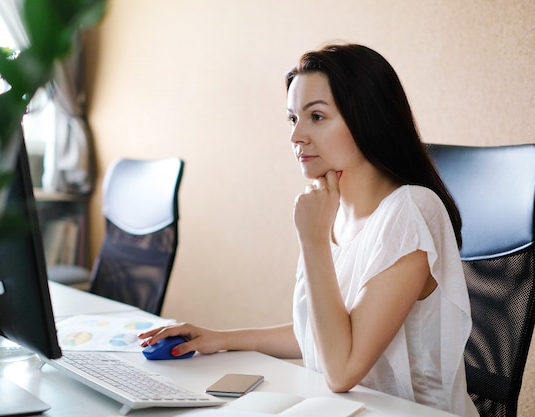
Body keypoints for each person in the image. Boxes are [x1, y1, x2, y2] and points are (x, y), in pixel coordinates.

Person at [139, 43, 478, 417]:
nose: (296, 136)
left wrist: (313, 240)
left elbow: (342, 369)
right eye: (292, 119)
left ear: (368, 119)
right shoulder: (331, 209)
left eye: (316, 116)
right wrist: (220, 339)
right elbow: (324, 332)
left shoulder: (410, 211)